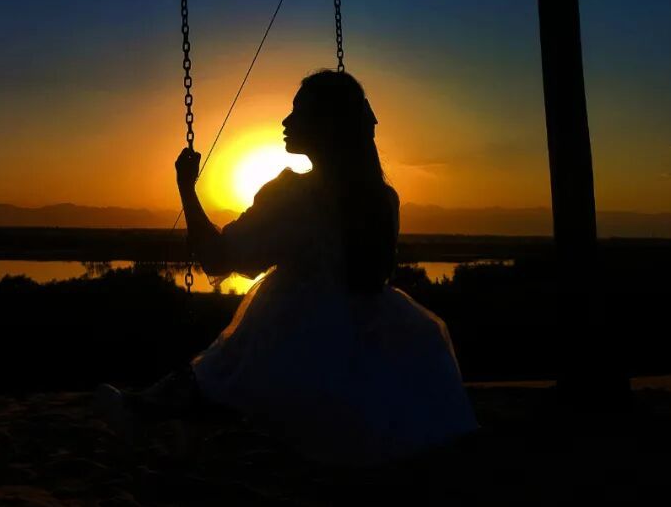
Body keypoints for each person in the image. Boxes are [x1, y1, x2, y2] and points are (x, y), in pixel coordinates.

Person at [95, 69, 478, 465]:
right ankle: (151, 408)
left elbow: (219, 257)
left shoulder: (293, 197)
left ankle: (140, 412)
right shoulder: (382, 198)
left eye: (298, 112)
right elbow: (372, 275)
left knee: (225, 369)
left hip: (298, 327)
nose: (286, 121)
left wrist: (186, 189)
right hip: (370, 326)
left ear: (325, 125)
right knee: (230, 372)